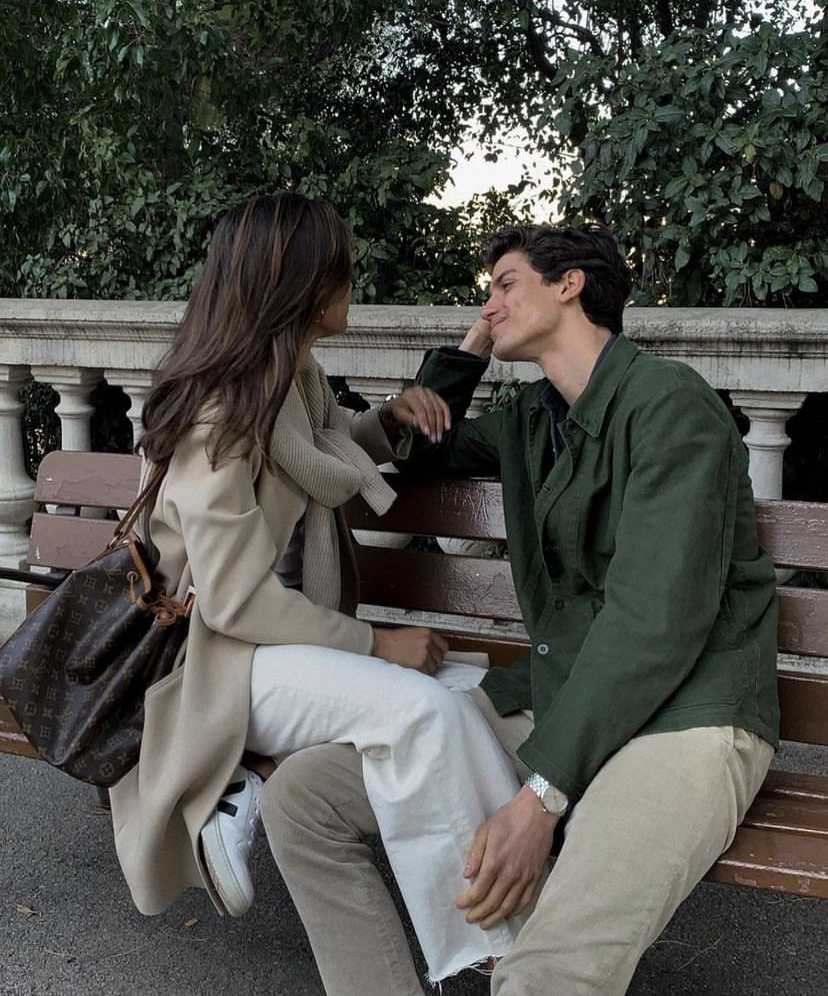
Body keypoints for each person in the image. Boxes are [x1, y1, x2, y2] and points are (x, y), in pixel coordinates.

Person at [260, 222, 780, 995]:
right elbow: (427, 451)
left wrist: (541, 797)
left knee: (545, 974)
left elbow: (655, 623)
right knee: (303, 798)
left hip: (687, 719)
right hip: (559, 698)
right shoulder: (534, 417)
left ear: (569, 284)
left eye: (505, 284)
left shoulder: (671, 406)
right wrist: (471, 348)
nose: (490, 302)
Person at [107, 191, 528, 985]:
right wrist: (376, 645)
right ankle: (498, 950)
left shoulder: (293, 381)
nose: (353, 280)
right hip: (217, 661)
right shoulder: (220, 413)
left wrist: (390, 423)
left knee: (459, 693)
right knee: (422, 710)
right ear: (302, 283)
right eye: (341, 267)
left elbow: (322, 456)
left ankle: (504, 936)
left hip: (278, 647)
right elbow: (235, 602)